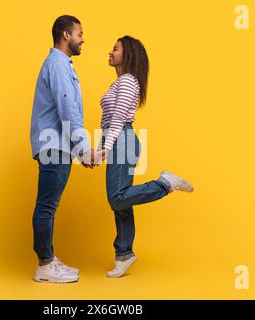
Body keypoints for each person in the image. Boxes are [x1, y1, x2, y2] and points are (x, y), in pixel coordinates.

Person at [93, 36, 195, 278]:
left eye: (115, 48)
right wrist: (100, 147)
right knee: (122, 203)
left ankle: (164, 184)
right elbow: (108, 120)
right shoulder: (119, 82)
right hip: (118, 139)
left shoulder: (128, 81)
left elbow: (118, 119)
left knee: (117, 198)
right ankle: (124, 254)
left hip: (122, 139)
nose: (110, 51)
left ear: (126, 54)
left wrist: (106, 146)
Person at [30, 15, 97, 283]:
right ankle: (45, 264)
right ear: (66, 35)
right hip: (53, 146)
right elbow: (68, 109)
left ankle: (48, 259)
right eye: (80, 33)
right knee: (47, 205)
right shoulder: (57, 64)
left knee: (49, 204)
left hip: (57, 145)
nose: (83, 39)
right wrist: (83, 149)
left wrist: (80, 151)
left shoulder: (60, 64)